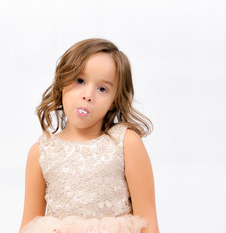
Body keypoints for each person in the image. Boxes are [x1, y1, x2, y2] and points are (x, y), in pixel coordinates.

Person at [18, 38, 159, 233]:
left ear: (114, 101)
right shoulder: (41, 152)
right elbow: (28, 226)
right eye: (80, 80)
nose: (88, 95)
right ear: (62, 82)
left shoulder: (125, 143)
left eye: (103, 89)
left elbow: (148, 222)